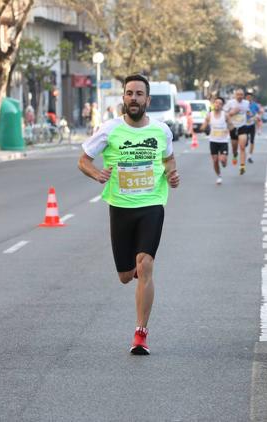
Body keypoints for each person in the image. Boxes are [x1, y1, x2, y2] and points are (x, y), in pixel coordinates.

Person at [78, 74, 180, 355]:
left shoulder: (161, 130)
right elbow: (83, 159)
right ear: (123, 98)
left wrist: (171, 175)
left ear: (147, 100)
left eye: (139, 94)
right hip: (121, 206)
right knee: (126, 275)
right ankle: (134, 274)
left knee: (145, 265)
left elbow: (168, 158)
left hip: (152, 204)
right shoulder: (110, 130)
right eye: (129, 93)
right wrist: (96, 173)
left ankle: (141, 334)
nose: (133, 98)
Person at [200, 96, 232, 185]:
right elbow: (204, 125)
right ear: (214, 104)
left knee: (222, 160)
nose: (218, 105)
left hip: (223, 141)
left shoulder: (225, 115)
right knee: (215, 160)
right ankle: (219, 176)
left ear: (222, 105)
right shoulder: (209, 115)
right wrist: (202, 128)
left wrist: (229, 129)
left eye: (220, 103)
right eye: (216, 103)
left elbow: (231, 125)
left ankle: (224, 162)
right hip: (213, 141)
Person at [225, 89, 251, 175]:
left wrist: (251, 115)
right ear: (235, 95)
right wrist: (231, 113)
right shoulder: (230, 103)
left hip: (242, 127)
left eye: (241, 94)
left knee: (242, 147)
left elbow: (248, 111)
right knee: (234, 147)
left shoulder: (246, 103)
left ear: (243, 95)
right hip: (233, 127)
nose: (240, 96)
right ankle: (235, 155)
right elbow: (224, 113)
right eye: (238, 94)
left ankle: (242, 166)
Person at [245, 92, 263, 163]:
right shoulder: (243, 105)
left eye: (250, 97)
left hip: (252, 124)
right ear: (245, 98)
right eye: (247, 97)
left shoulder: (255, 105)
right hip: (244, 124)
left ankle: (249, 156)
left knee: (252, 141)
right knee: (245, 141)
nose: (249, 98)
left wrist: (258, 116)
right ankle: (246, 141)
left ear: (251, 98)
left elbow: (260, 112)